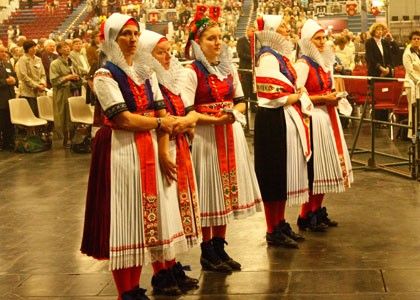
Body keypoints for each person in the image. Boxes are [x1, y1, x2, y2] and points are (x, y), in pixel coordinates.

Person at [80, 13, 190, 300]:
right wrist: (159, 124)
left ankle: (138, 285)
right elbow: (123, 118)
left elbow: (160, 110)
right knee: (125, 217)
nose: (131, 39)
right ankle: (125, 291)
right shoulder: (104, 75)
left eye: (135, 34)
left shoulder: (147, 72)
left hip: (149, 147)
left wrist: (164, 145)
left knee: (144, 219)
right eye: (125, 34)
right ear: (111, 40)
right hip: (121, 150)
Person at [182, 8, 262, 273]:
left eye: (220, 38)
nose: (217, 43)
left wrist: (231, 114)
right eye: (210, 39)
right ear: (197, 43)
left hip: (229, 134)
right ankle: (207, 249)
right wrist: (215, 120)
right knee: (209, 192)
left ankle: (219, 245)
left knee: (225, 193)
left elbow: (240, 102)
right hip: (206, 138)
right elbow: (186, 111)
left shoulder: (229, 69)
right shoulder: (191, 72)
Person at [138, 29, 202, 294]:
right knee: (163, 214)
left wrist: (187, 122)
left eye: (168, 51)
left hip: (179, 147)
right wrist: (186, 122)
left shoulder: (171, 82)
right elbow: (164, 121)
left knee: (175, 214)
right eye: (160, 52)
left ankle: (172, 264)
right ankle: (160, 272)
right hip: (160, 150)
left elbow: (186, 117)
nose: (167, 57)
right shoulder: (149, 82)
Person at [254, 15, 310, 248]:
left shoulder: (278, 58)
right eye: (282, 27)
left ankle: (279, 223)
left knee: (280, 174)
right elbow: (274, 94)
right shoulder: (268, 58)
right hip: (272, 118)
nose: (286, 30)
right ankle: (271, 227)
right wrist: (296, 96)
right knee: (273, 174)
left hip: (280, 117)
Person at [294, 19, 353, 231]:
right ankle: (305, 214)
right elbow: (298, 95)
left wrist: (335, 97)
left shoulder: (322, 63)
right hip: (313, 118)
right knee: (314, 169)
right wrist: (324, 99)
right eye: (316, 38)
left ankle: (316, 210)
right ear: (307, 41)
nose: (321, 42)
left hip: (327, 117)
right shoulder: (303, 64)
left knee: (326, 167)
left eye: (323, 38)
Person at [49, 41, 83, 148]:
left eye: (68, 47)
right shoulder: (55, 64)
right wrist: (67, 78)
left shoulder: (72, 61)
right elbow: (53, 81)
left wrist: (77, 76)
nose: (67, 49)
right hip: (62, 93)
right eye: (64, 47)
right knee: (63, 115)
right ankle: (64, 139)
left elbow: (79, 72)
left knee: (73, 114)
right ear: (59, 50)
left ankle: (73, 138)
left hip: (73, 91)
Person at [365, 22, 399, 124]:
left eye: (381, 30)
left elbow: (394, 54)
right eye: (377, 30)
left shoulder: (385, 42)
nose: (380, 32)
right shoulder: (369, 42)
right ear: (373, 31)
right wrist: (381, 68)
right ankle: (378, 121)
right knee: (377, 96)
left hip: (386, 73)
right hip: (375, 73)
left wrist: (387, 68)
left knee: (386, 95)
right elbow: (370, 59)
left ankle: (385, 120)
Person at [16, 40, 47, 117]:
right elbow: (24, 76)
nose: (34, 49)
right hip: (28, 92)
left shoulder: (38, 59)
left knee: (41, 114)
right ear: (27, 49)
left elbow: (43, 74)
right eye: (31, 47)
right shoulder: (22, 60)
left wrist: (43, 83)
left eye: (34, 47)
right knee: (32, 114)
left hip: (40, 91)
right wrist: (36, 86)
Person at [402, 30, 420, 138]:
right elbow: (410, 71)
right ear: (410, 41)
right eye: (414, 39)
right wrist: (419, 80)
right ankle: (411, 134)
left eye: (418, 39)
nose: (417, 41)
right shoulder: (407, 53)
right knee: (413, 109)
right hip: (412, 85)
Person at [0, 45, 18, 151]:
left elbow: (14, 76)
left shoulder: (7, 64)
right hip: (1, 99)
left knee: (9, 124)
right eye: (1, 51)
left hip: (10, 98)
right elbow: (6, 80)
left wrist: (14, 80)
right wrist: (5, 82)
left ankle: (8, 143)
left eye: (5, 52)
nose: (4, 54)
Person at [236, 25, 256, 109]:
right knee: (245, 88)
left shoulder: (255, 42)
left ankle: (253, 106)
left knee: (253, 89)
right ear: (247, 31)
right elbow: (241, 54)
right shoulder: (241, 41)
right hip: (245, 68)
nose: (253, 33)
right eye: (252, 31)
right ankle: (243, 107)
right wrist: (252, 57)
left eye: (254, 31)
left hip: (253, 69)